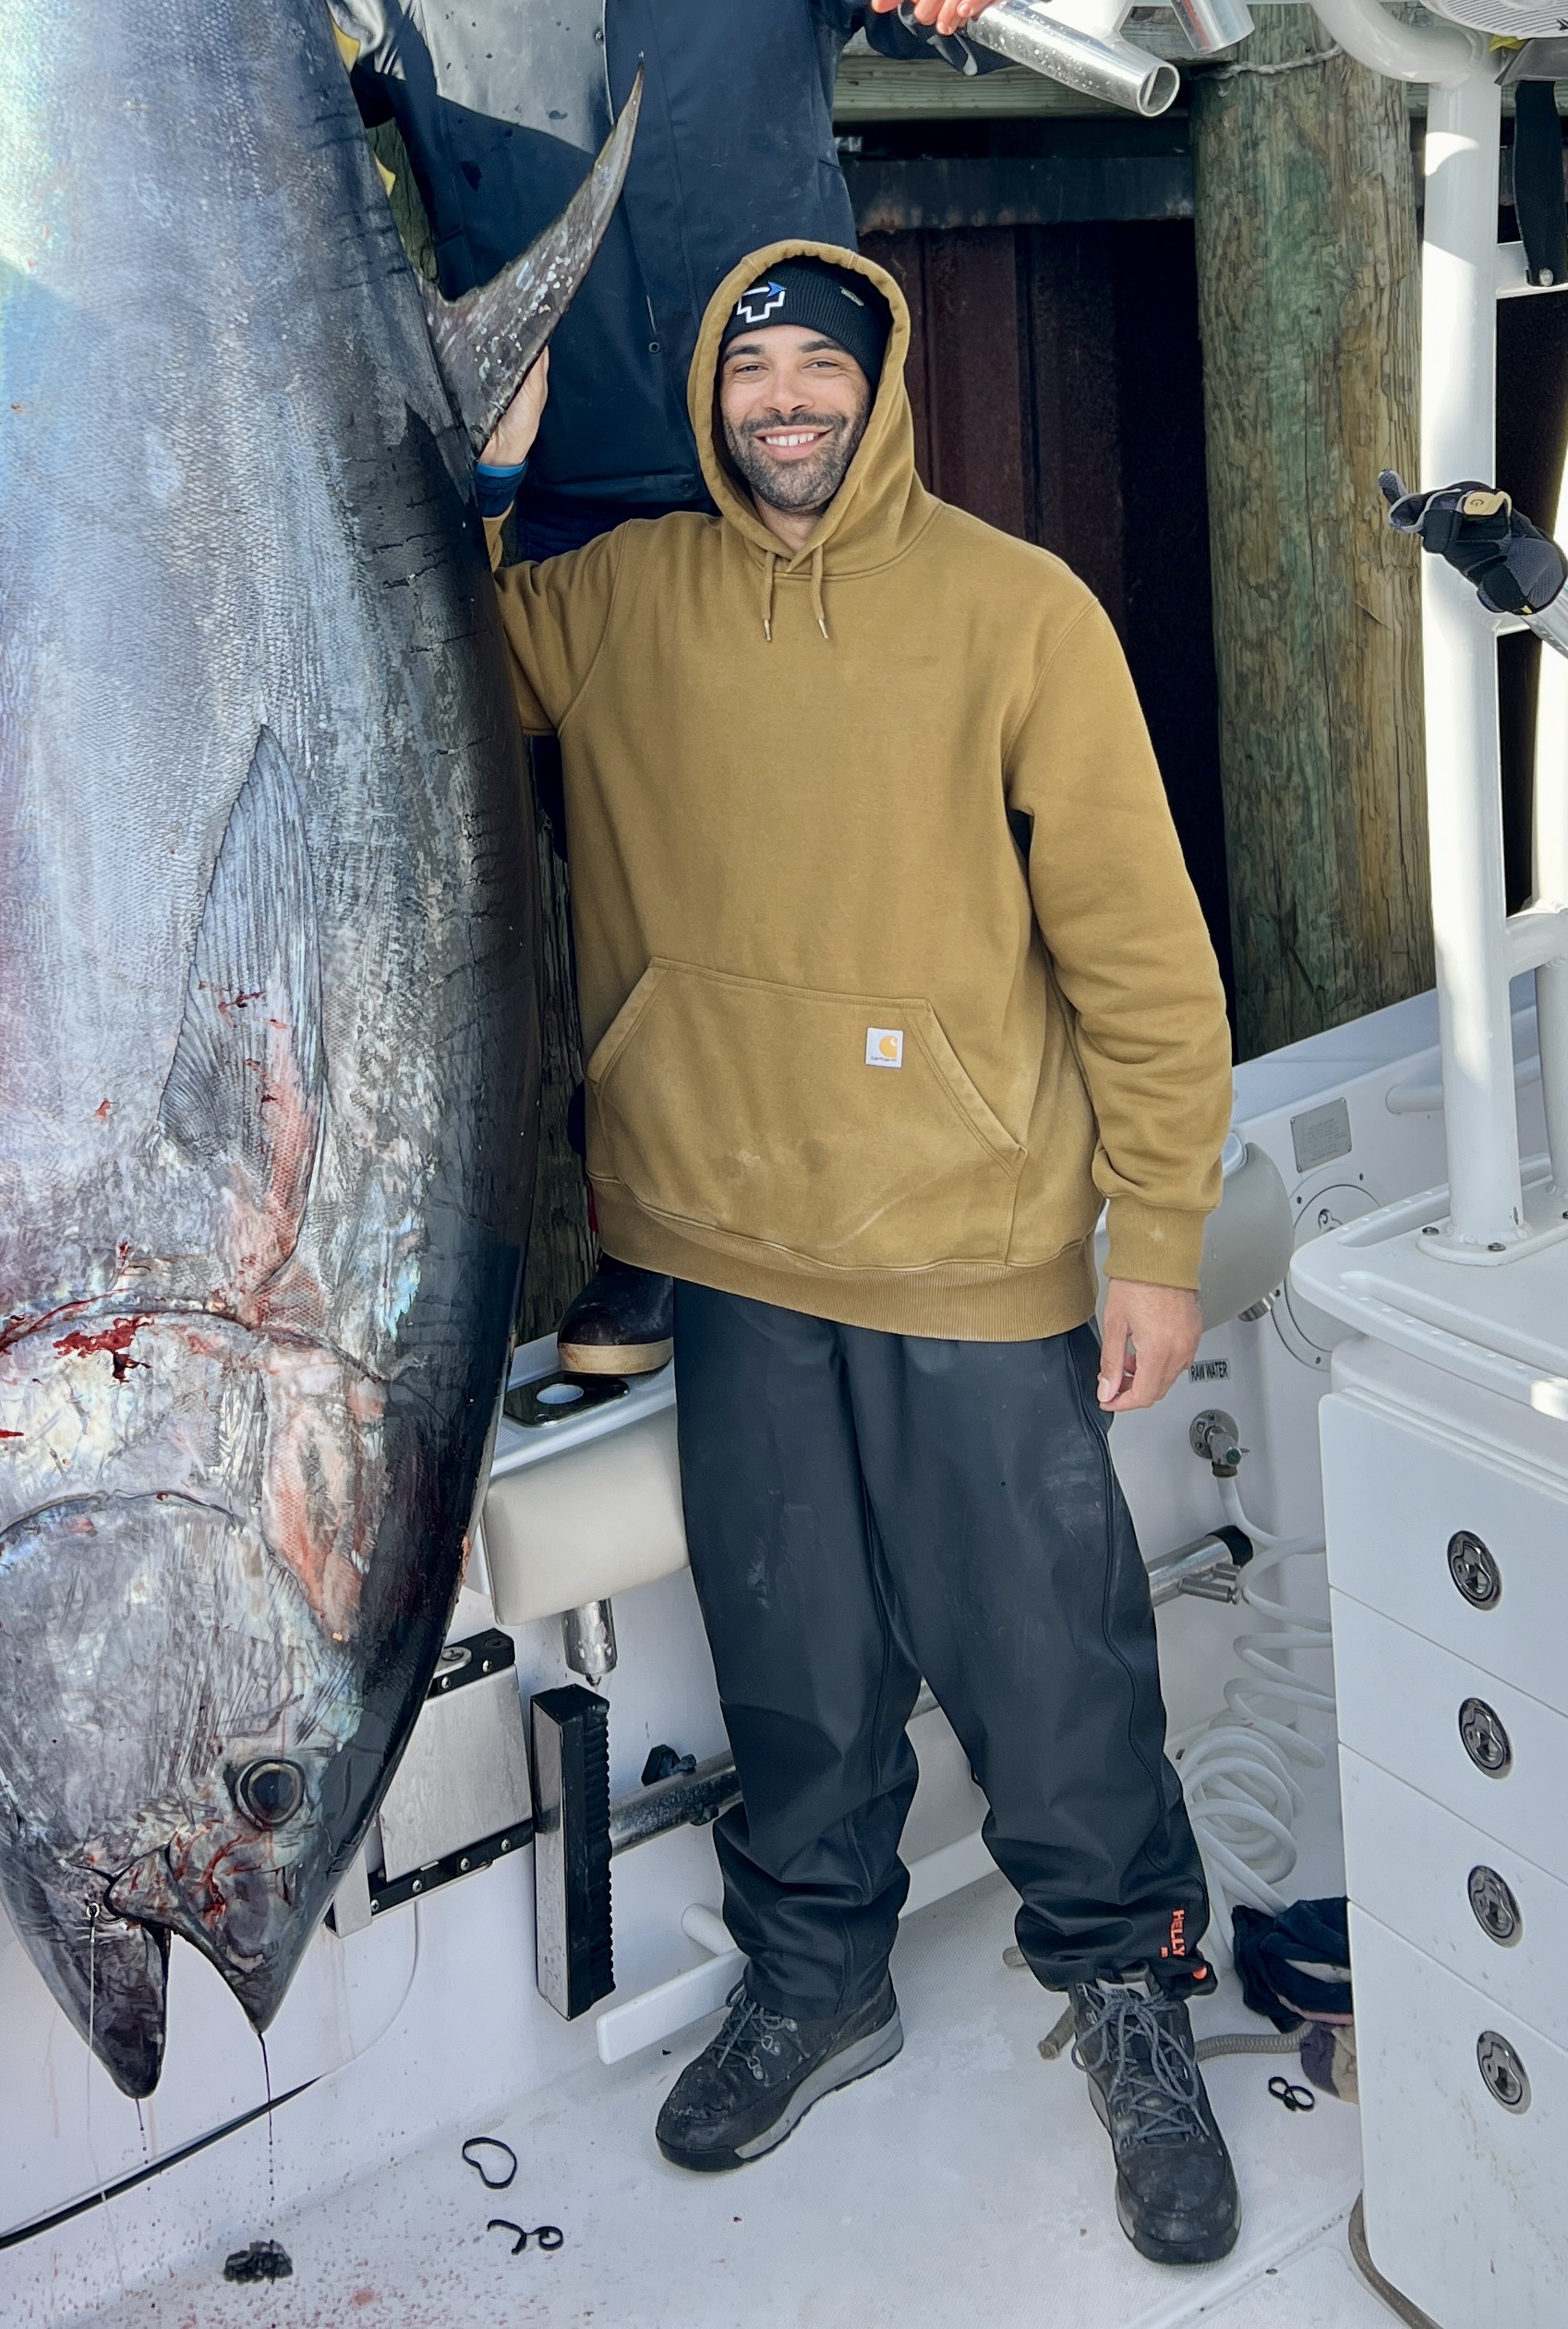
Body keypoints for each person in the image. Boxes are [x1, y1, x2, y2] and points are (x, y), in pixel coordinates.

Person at [473, 247, 1240, 2267]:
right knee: (794, 1673)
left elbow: (1143, 957)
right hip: (726, 1241)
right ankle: (819, 1975)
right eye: (754, 371)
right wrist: (474, 477)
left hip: (973, 1242)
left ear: (881, 388)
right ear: (712, 400)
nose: (786, 402)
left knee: (1046, 1662)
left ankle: (1132, 1989)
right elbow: (419, 658)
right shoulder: (618, 602)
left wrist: (1153, 1235)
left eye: (823, 367)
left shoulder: (1016, 609)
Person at [316, 0, 1071, 1379]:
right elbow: (263, 86)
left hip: (786, 480)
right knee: (624, 899)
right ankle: (654, 1238)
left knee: (845, 859)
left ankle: (888, 1196)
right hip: (562, 506)